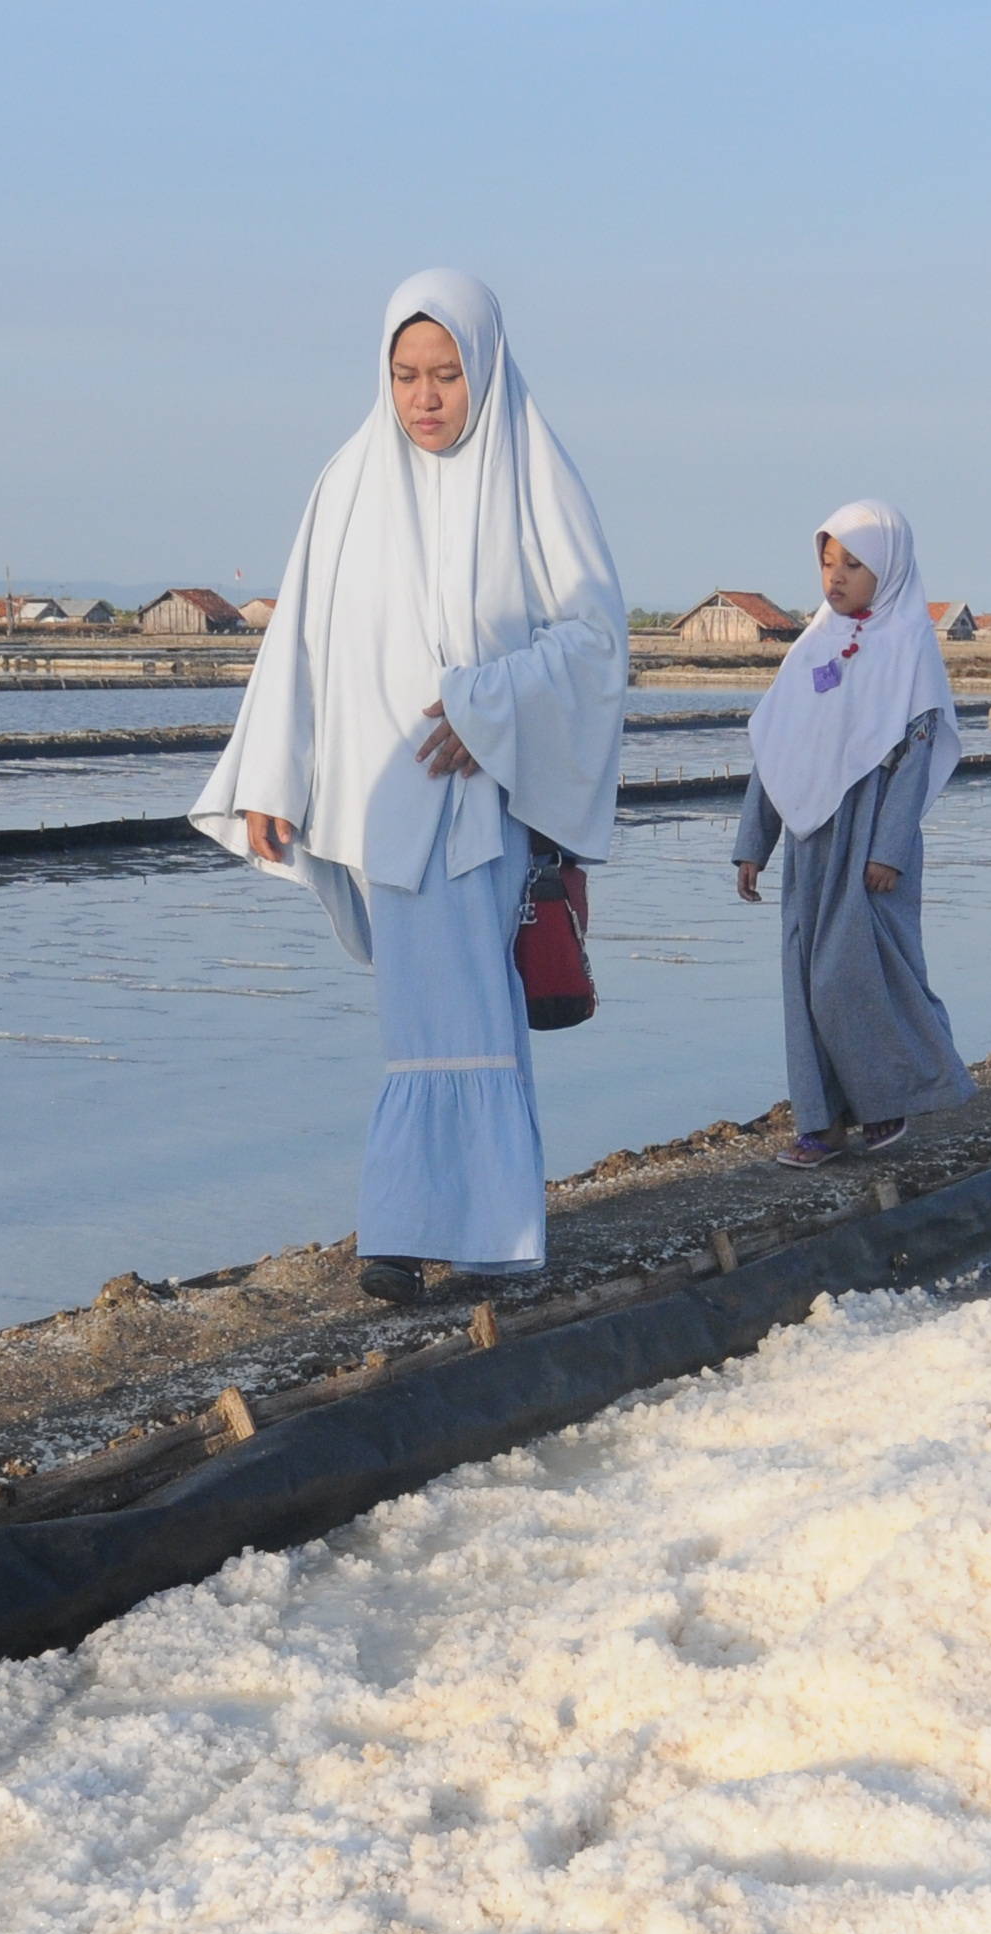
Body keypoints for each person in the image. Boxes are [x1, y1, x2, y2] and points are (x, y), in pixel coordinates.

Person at [194, 270, 627, 1306]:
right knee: (420, 1017)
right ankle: (432, 1222)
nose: (425, 398)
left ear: (484, 370)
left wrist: (491, 713)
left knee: (474, 1010)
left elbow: (593, 639)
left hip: (486, 799)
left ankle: (458, 1230)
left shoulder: (531, 475)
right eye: (404, 375)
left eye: (445, 375)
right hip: (385, 793)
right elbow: (299, 640)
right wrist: (273, 776)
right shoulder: (348, 483)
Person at [732, 501, 976, 1167]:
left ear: (889, 569)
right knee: (807, 981)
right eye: (828, 560)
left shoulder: (907, 651)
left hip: (869, 845)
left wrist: (889, 848)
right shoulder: (812, 648)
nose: (835, 577)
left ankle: (892, 1097)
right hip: (811, 847)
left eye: (854, 563)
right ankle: (821, 1123)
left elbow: (916, 756)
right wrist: (755, 843)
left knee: (860, 976)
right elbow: (777, 750)